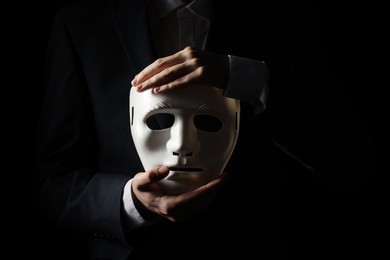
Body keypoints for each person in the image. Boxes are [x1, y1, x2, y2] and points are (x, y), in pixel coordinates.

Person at [31, 0, 373, 259]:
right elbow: (52, 181)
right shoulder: (84, 19)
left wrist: (253, 82)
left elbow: (349, 161)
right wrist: (132, 203)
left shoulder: (286, 16)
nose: (181, 146)